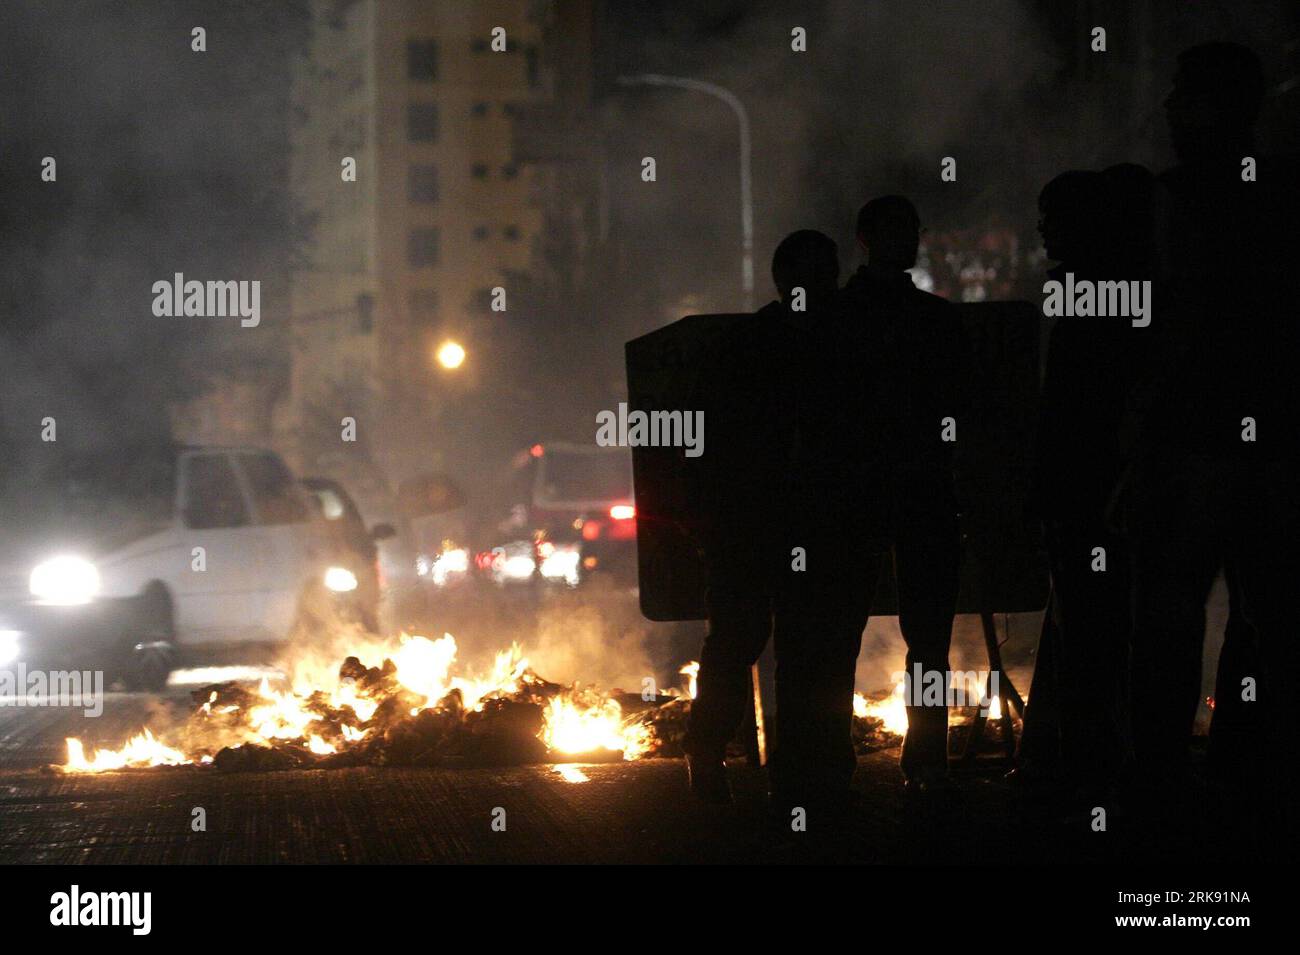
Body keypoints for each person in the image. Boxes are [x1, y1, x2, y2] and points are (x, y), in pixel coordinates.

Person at [1122, 42, 1300, 843]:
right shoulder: (1283, 192)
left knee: (1169, 616)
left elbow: (1172, 328)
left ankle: (1161, 786)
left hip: (1195, 437)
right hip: (1272, 440)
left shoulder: (1179, 198)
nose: (1166, 109)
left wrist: (1139, 435)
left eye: (1180, 96)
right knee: (1265, 615)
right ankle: (1249, 774)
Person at [683, 230, 846, 806]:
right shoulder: (818, 345)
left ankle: (733, 760)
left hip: (758, 522)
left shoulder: (752, 343)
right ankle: (777, 766)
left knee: (749, 640)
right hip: (766, 521)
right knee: (761, 640)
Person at [1018, 166, 1154, 795]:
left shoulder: (1091, 293)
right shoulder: (1118, 287)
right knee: (1101, 631)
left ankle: (1093, 772)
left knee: (1093, 636)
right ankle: (1103, 766)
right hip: (1099, 488)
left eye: (1053, 215)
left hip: (1088, 491)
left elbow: (1074, 405)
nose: (1043, 228)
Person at [839, 196, 967, 792]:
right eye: (898, 230)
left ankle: (843, 758)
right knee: (923, 637)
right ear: (868, 237)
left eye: (909, 229)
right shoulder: (936, 321)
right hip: (916, 489)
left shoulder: (841, 317)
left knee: (843, 631)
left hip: (870, 489)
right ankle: (926, 760)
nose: (908, 240)